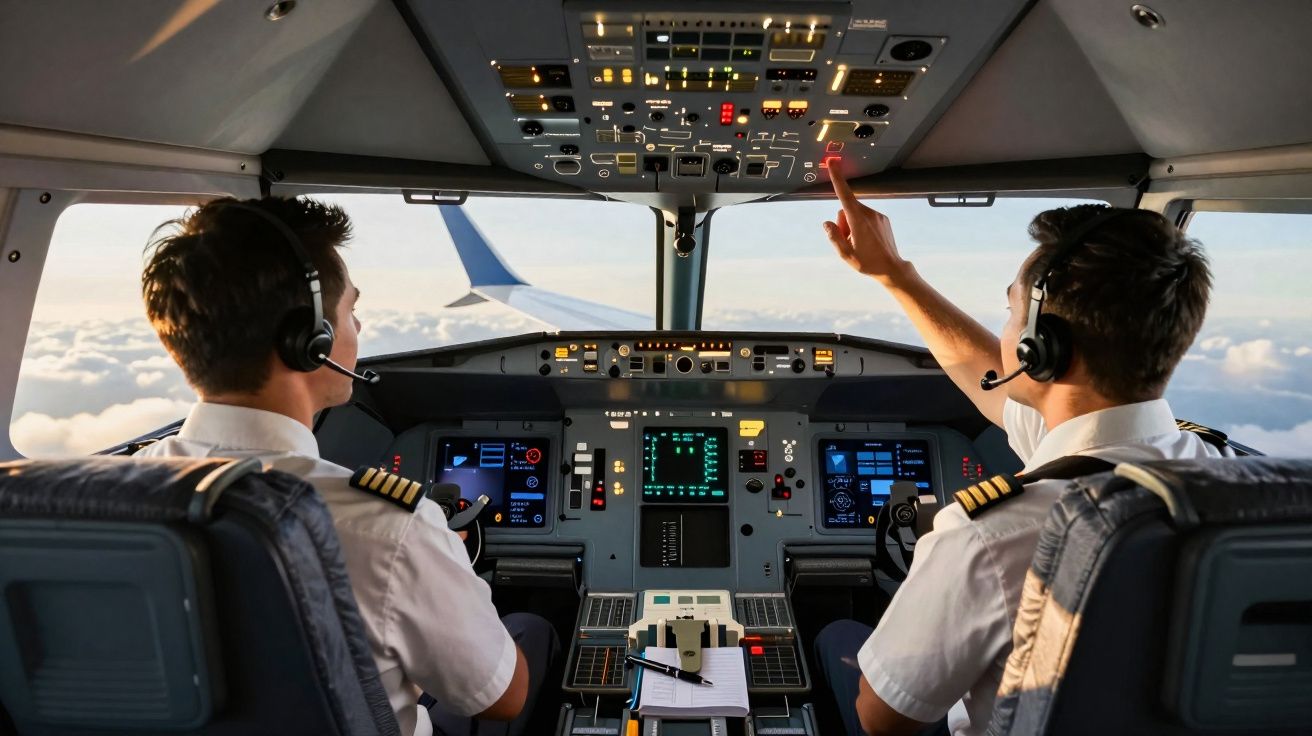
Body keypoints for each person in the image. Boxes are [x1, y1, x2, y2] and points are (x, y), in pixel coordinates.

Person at [811, 169, 1230, 736]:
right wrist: (895, 276)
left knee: (837, 637)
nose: (1005, 333)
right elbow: (989, 380)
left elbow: (883, 719)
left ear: (1041, 349)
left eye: (1011, 314)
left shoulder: (988, 536)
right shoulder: (1234, 480)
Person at [135, 197, 558, 736]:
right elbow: (502, 699)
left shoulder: (112, 495)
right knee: (531, 630)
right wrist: (451, 570)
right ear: (308, 341)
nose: (357, 324)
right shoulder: (388, 529)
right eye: (350, 309)